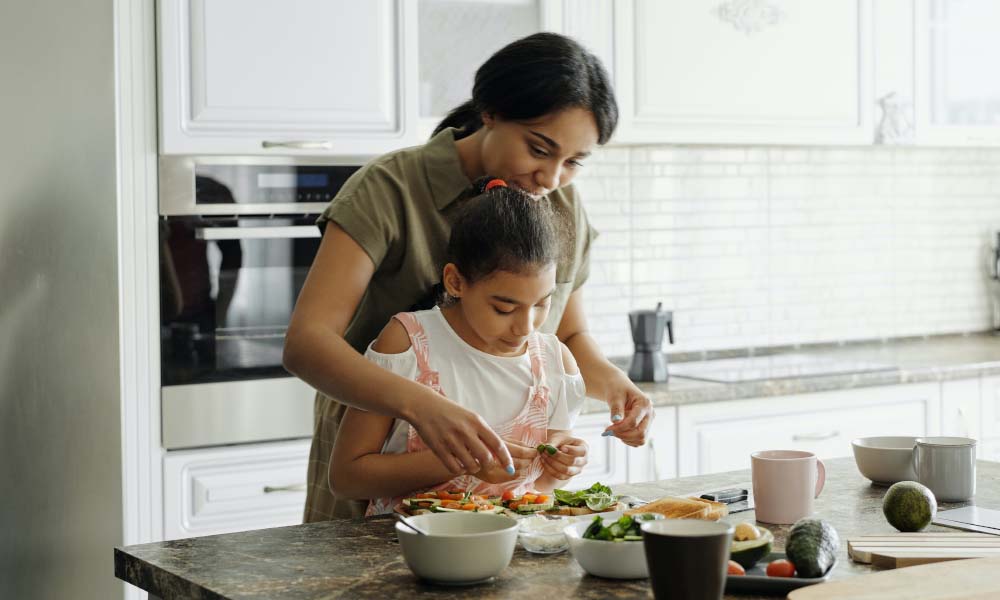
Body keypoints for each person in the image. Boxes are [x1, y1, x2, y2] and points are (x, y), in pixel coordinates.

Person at [284, 31, 655, 522]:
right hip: (377, 467)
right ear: (490, 112)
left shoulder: (561, 205)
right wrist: (423, 407)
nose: (552, 177)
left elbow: (566, 333)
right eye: (539, 149)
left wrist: (614, 385)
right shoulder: (389, 188)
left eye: (573, 162)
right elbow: (307, 343)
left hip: (499, 503)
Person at [330, 178, 586, 514]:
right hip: (405, 552)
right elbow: (346, 478)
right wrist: (461, 462)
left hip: (512, 552)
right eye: (504, 308)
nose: (526, 326)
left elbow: (541, 488)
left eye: (542, 304)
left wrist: (562, 467)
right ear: (455, 281)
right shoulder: (407, 344)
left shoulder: (554, 363)